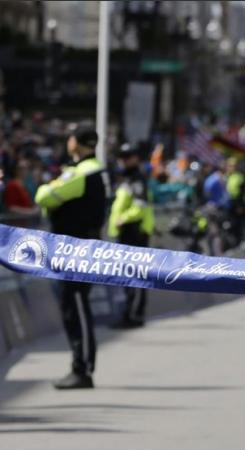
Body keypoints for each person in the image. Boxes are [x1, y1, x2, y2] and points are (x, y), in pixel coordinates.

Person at [34, 124, 108, 390]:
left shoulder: (80, 173)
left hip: (75, 251)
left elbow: (44, 195)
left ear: (75, 143)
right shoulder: (93, 170)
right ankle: (80, 366)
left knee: (76, 305)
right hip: (78, 248)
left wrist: (49, 187)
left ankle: (82, 368)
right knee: (74, 306)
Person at [108, 143, 155, 329]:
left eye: (127, 157)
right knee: (131, 277)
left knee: (136, 277)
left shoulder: (136, 178)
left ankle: (134, 315)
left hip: (134, 231)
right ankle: (131, 313)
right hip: (128, 231)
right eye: (121, 157)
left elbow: (140, 206)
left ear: (135, 158)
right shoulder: (128, 178)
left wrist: (123, 219)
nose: (123, 160)